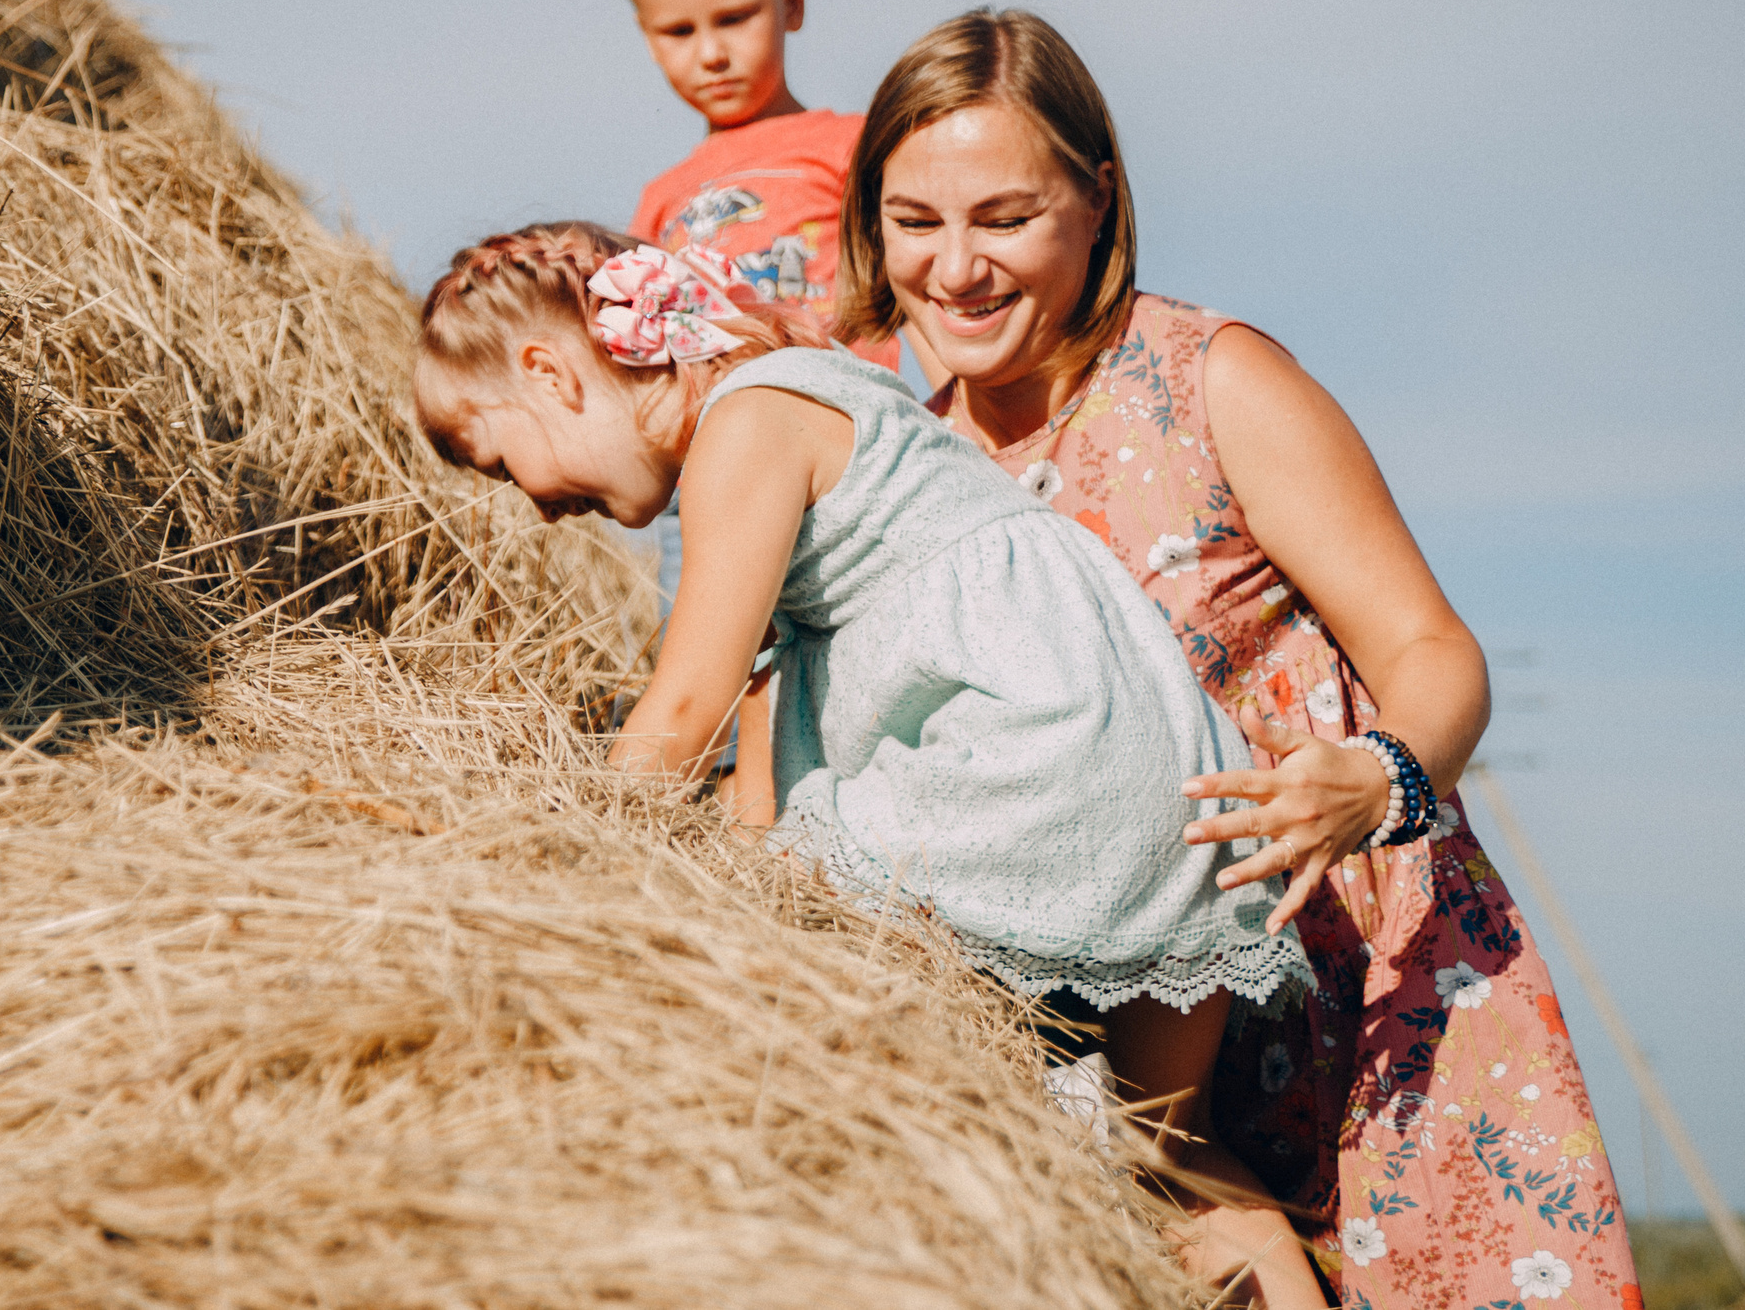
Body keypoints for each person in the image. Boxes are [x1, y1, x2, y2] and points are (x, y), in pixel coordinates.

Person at [832, 8, 1641, 1307]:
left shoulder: (1212, 378)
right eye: (915, 219)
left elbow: (1434, 649)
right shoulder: (902, 468)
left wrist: (1377, 777)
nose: (957, 265)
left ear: (1097, 201)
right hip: (1120, 1043)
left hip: (1363, 987)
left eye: (1005, 215)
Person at [413, 222, 1326, 1307]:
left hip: (1028, 763)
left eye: (496, 458)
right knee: (1166, 1147)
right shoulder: (807, 394)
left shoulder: (743, 431)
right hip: (1156, 772)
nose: (528, 502)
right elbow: (764, 710)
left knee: (835, 1022)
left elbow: (689, 702)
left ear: (550, 373)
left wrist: (562, 864)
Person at [615, 0, 925, 820]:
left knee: (826, 653)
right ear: (645, 33)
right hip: (717, 456)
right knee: (727, 642)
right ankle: (743, 844)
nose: (710, 52)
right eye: (679, 32)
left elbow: (912, 277)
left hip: (835, 444)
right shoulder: (663, 198)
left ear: (789, 5)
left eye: (735, 18)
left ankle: (794, 823)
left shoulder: (847, 144)